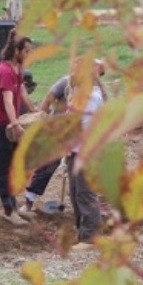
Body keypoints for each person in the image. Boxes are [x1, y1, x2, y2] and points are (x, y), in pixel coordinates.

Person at [20, 60, 106, 213]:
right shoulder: (65, 83)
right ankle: (29, 201)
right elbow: (47, 102)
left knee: (78, 173)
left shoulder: (93, 91)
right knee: (47, 166)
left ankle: (83, 207)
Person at [0, 31, 38, 226]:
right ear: (16, 50)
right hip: (2, 126)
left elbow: (22, 90)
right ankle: (8, 210)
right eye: (26, 51)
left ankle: (14, 207)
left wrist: (34, 109)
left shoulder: (16, 69)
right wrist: (15, 124)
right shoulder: (6, 72)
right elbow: (8, 101)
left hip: (10, 123)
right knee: (4, 169)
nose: (28, 54)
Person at [65, 58, 105, 251]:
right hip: (75, 150)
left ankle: (90, 236)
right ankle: (82, 231)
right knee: (75, 192)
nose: (72, 75)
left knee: (85, 193)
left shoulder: (91, 97)